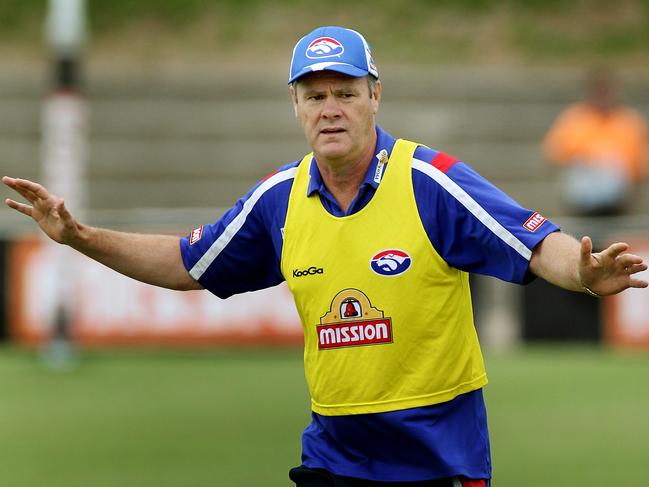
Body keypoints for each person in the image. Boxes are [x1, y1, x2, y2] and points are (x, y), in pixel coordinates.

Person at [3, 26, 648, 487]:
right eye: (314, 96)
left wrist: (584, 274)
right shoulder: (279, 199)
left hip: (438, 459)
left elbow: (536, 243)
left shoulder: (430, 181)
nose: (330, 109)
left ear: (375, 95)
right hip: (335, 457)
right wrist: (79, 235)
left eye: (344, 91)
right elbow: (184, 263)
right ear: (295, 106)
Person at [542, 67, 649, 216]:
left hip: (620, 191)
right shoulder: (575, 117)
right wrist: (591, 160)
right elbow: (554, 153)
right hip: (582, 189)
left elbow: (639, 165)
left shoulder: (629, 120)